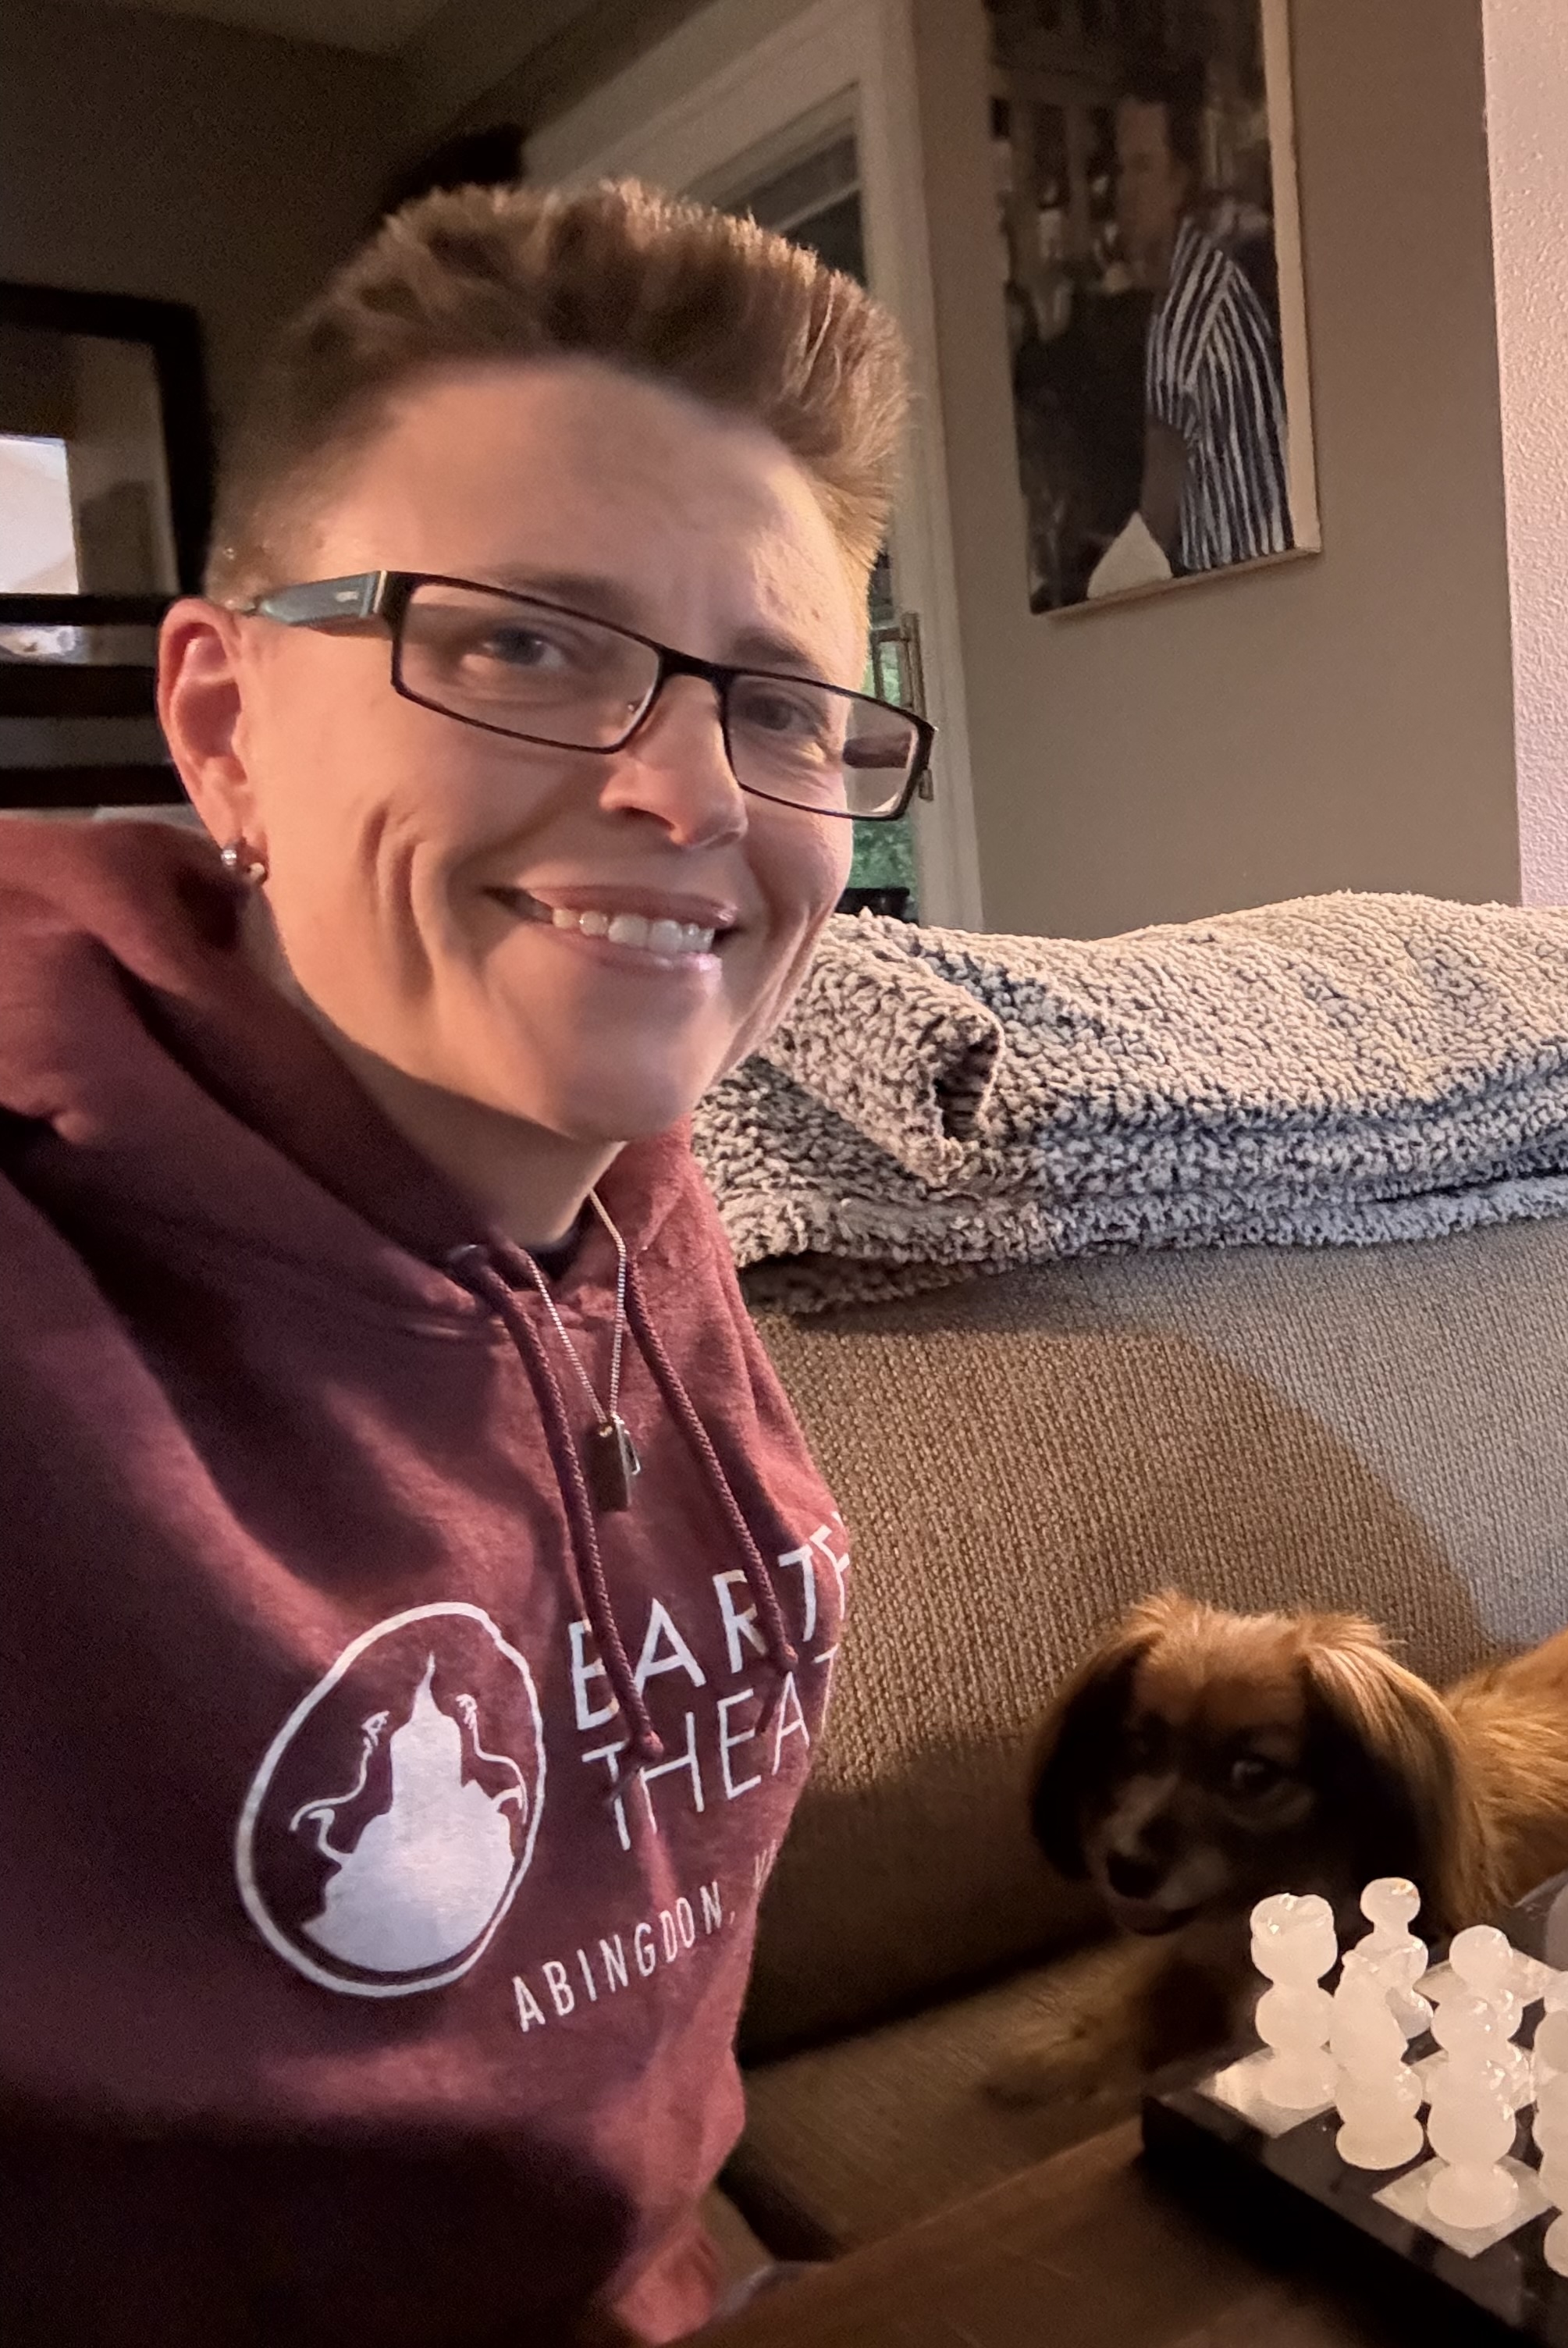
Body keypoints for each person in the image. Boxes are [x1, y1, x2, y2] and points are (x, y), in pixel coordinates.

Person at [0, 181, 936, 2341]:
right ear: (221, 722)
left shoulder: (640, 1182)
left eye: (779, 705)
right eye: (522, 641)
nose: (683, 791)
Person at [1114, 55, 1292, 577]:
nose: (1125, 190)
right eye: (1121, 167)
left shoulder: (1187, 311)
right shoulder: (1197, 277)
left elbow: (1154, 527)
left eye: (1143, 167)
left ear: (1179, 182)